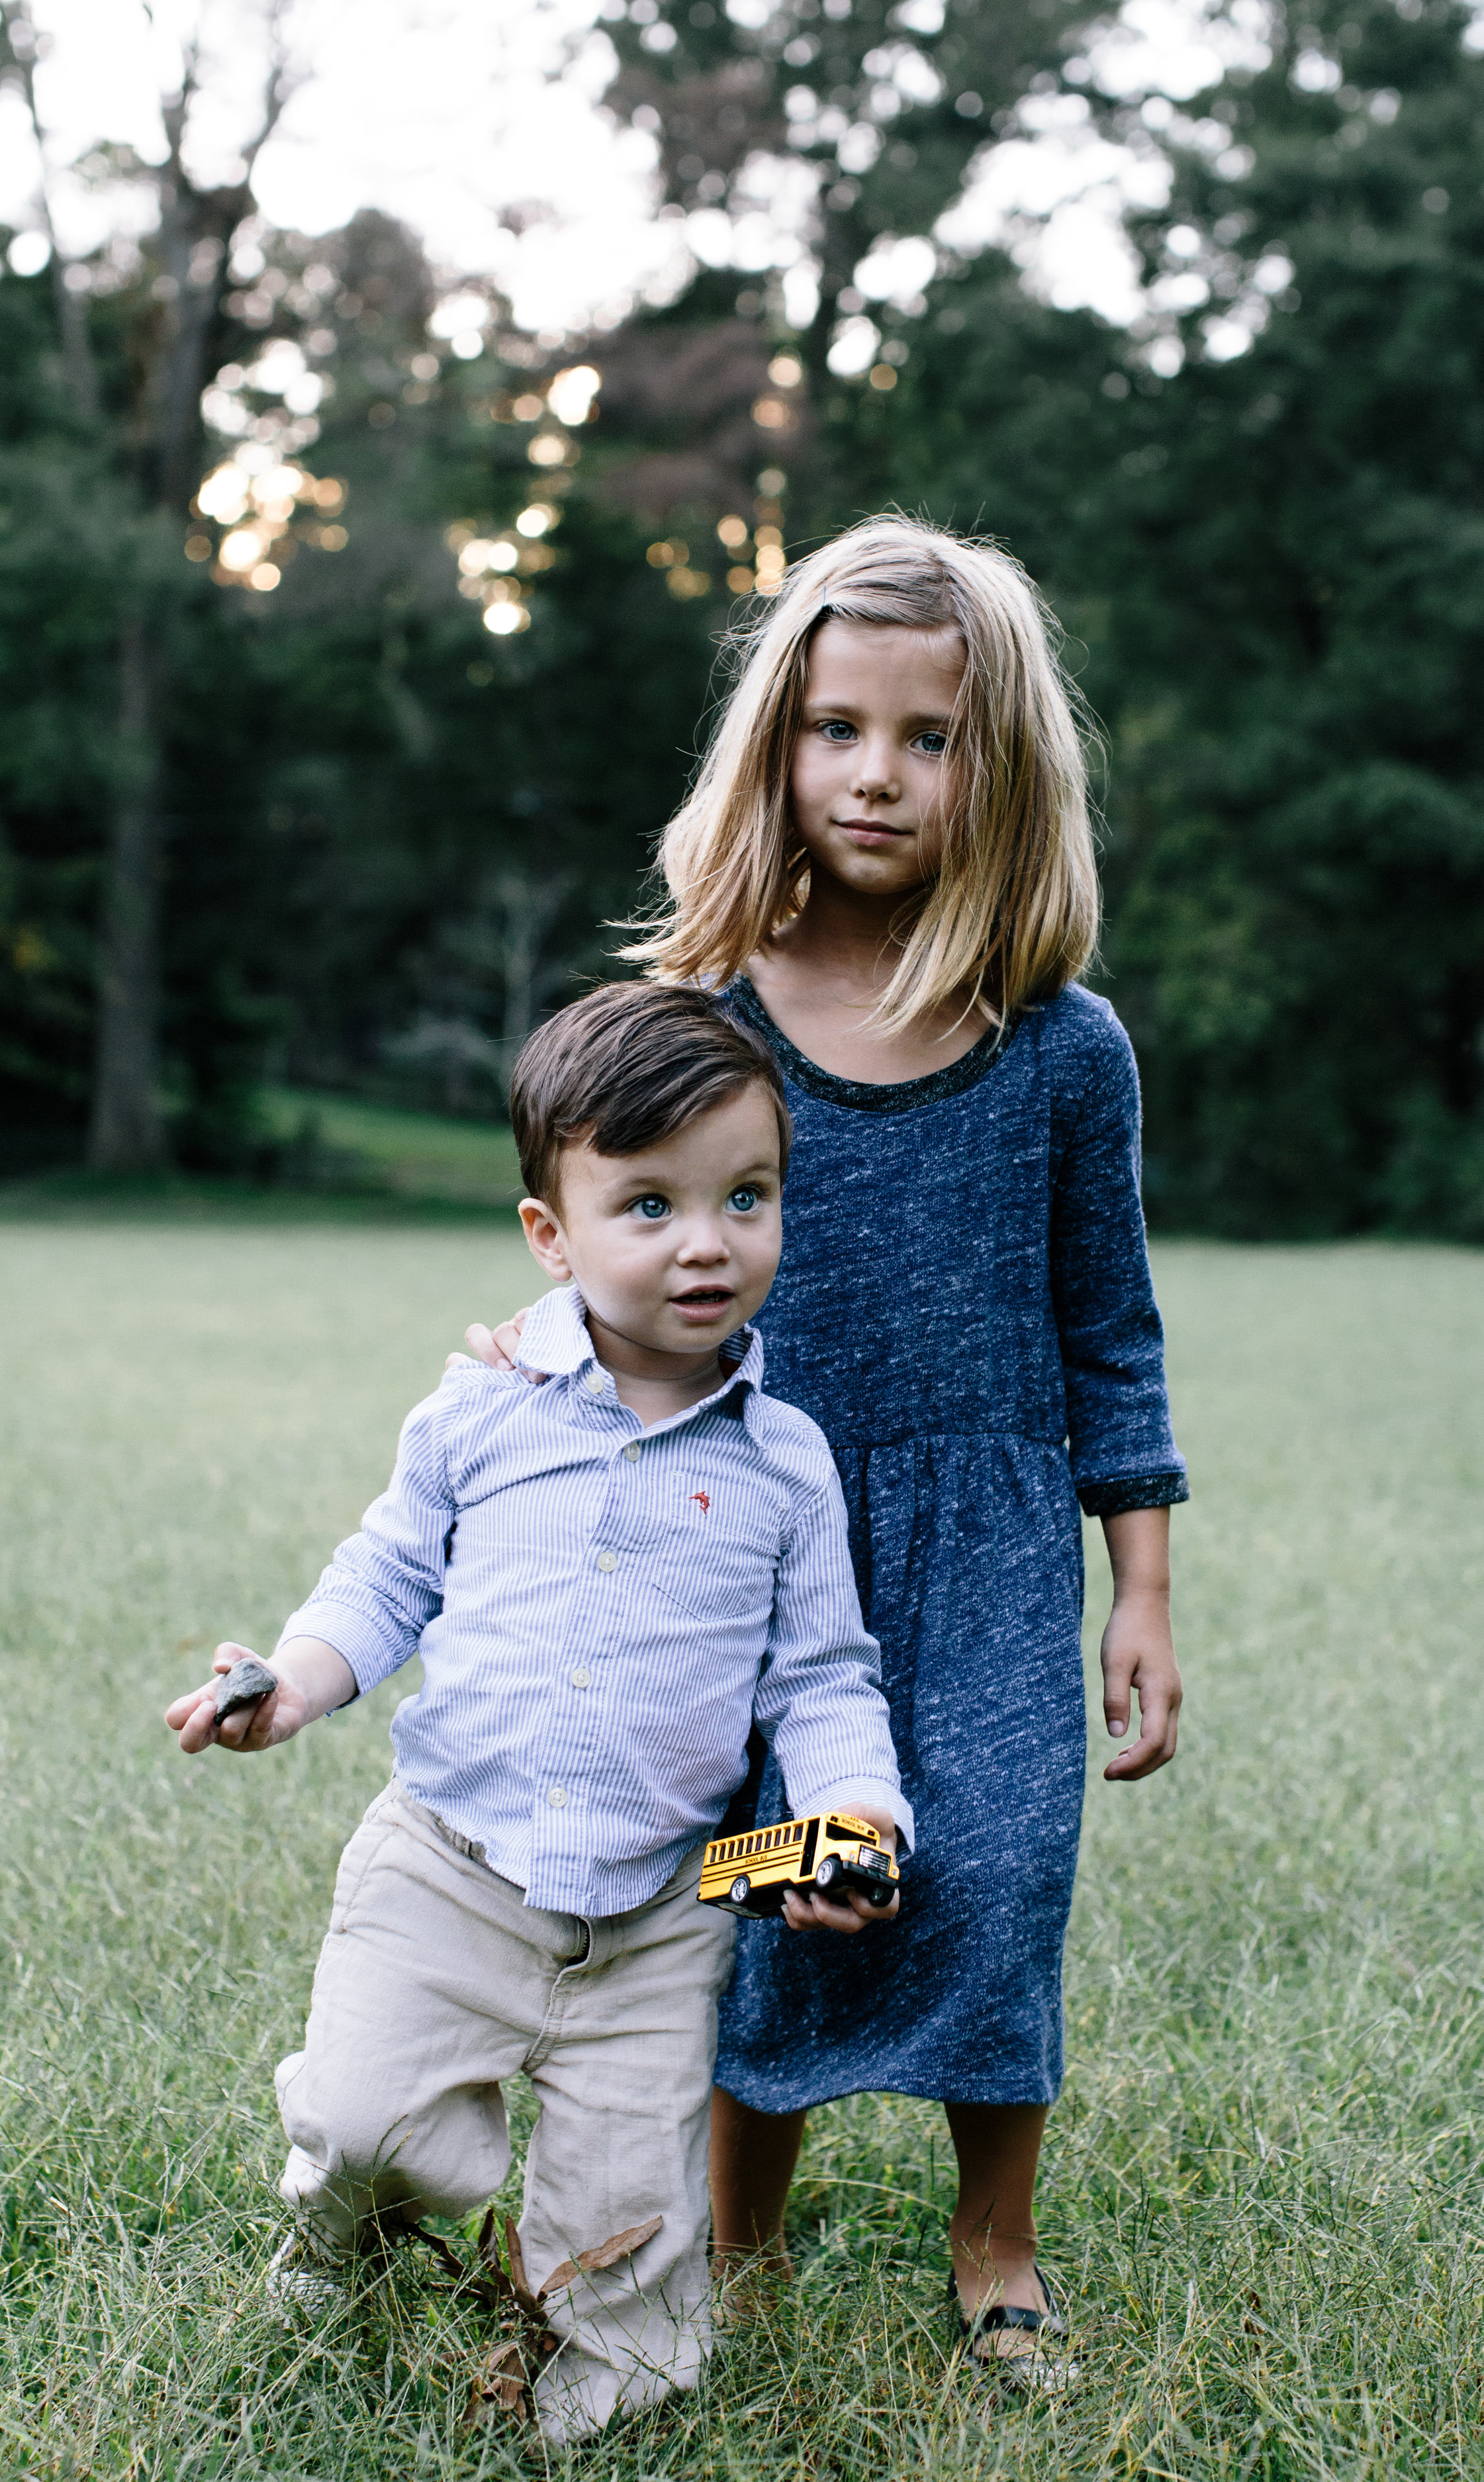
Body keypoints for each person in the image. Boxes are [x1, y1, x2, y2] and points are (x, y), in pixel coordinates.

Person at [461, 516, 1187, 2391]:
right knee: (767, 1874)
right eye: (837, 727)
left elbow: (1110, 1330)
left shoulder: (1059, 1049)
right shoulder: (700, 1022)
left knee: (1000, 1867)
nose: (876, 773)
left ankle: (994, 2234)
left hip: (989, 1532)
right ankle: (743, 2230)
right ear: (774, 743)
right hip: (744, 1530)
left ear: (999, 768)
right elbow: (610, 1249)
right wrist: (531, 1363)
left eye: (928, 737)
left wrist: (1141, 1589)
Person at [165, 981, 909, 2442]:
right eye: (647, 1207)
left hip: (656, 1918)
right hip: (447, 1869)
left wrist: (858, 1808)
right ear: (548, 1238)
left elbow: (820, 1677)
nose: (705, 1242)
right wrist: (294, 1684)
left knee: (628, 2243)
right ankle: (335, 2239)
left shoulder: (787, 1466)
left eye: (743, 1197)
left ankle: (596, 2386)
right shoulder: (480, 1407)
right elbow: (387, 1573)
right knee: (373, 2130)